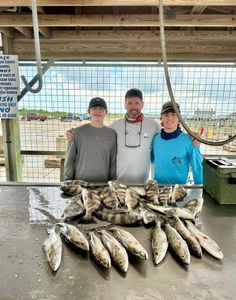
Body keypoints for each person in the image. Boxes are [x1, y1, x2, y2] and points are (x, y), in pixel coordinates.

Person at [64, 97, 117, 182]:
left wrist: (113, 182)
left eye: (101, 109)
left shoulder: (112, 134)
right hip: (81, 183)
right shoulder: (77, 132)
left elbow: (113, 162)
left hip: (103, 184)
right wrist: (68, 181)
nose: (97, 111)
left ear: (106, 112)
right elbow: (69, 160)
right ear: (89, 112)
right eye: (94, 108)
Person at [151, 101, 203, 185]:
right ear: (161, 118)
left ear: (179, 118)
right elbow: (152, 160)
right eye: (166, 115)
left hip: (179, 191)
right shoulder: (155, 139)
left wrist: (199, 189)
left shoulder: (190, 140)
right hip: (158, 189)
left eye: (173, 114)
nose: (169, 118)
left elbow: (197, 167)